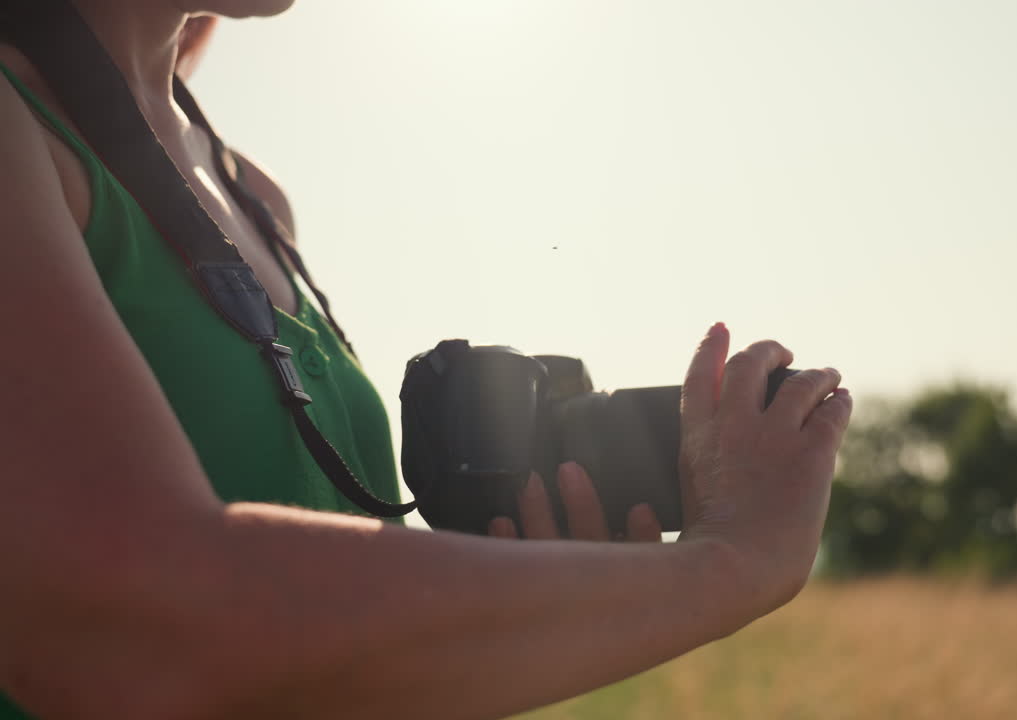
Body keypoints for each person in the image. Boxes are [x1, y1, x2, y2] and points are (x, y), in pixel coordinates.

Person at [0, 1, 852, 718]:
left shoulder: (251, 194)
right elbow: (127, 620)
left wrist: (534, 592)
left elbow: (308, 665)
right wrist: (722, 568)